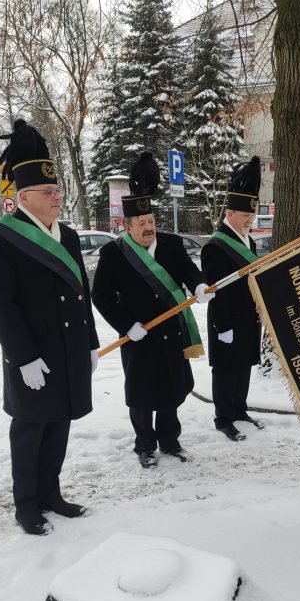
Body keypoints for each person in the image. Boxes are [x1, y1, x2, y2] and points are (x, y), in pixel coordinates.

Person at [0, 120, 99, 536]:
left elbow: (82, 292)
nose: (57, 196)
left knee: (59, 424)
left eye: (58, 190)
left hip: (68, 350)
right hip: (33, 355)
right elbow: (1, 307)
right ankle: (27, 505)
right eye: (49, 192)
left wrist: (91, 343)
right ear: (23, 196)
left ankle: (51, 495)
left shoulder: (69, 238)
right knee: (30, 431)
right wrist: (23, 356)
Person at [91, 151, 214, 469]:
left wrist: (199, 286)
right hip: (139, 337)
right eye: (141, 223)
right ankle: (144, 444)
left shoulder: (172, 246)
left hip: (171, 332)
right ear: (127, 225)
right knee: (143, 395)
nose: (148, 228)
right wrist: (126, 324)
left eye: (151, 222)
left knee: (171, 391)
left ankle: (170, 441)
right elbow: (102, 297)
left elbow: (190, 271)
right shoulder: (113, 254)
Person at [201, 157, 266, 442]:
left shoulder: (248, 241)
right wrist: (222, 326)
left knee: (243, 366)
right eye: (245, 216)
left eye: (251, 216)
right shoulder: (215, 246)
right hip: (226, 319)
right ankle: (223, 418)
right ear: (230, 214)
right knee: (226, 370)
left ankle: (239, 409)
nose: (249, 220)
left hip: (248, 316)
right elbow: (217, 292)